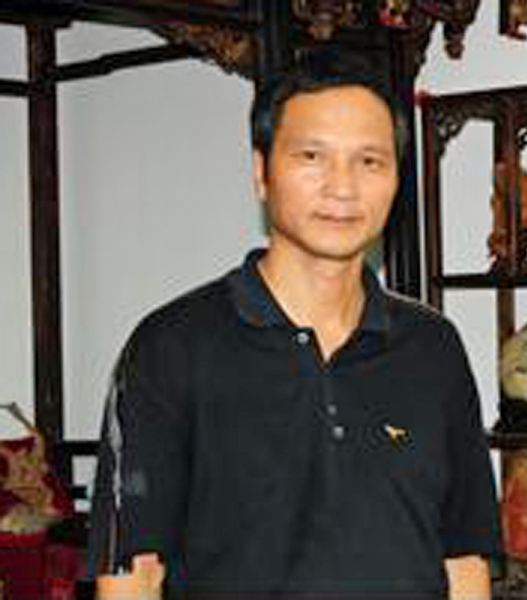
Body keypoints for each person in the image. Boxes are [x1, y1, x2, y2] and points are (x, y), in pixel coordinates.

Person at [88, 50, 501, 599]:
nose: (342, 187)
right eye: (312, 156)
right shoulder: (171, 347)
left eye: (370, 161)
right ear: (261, 172)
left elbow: (464, 560)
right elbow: (133, 574)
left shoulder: (432, 347)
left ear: (397, 179)